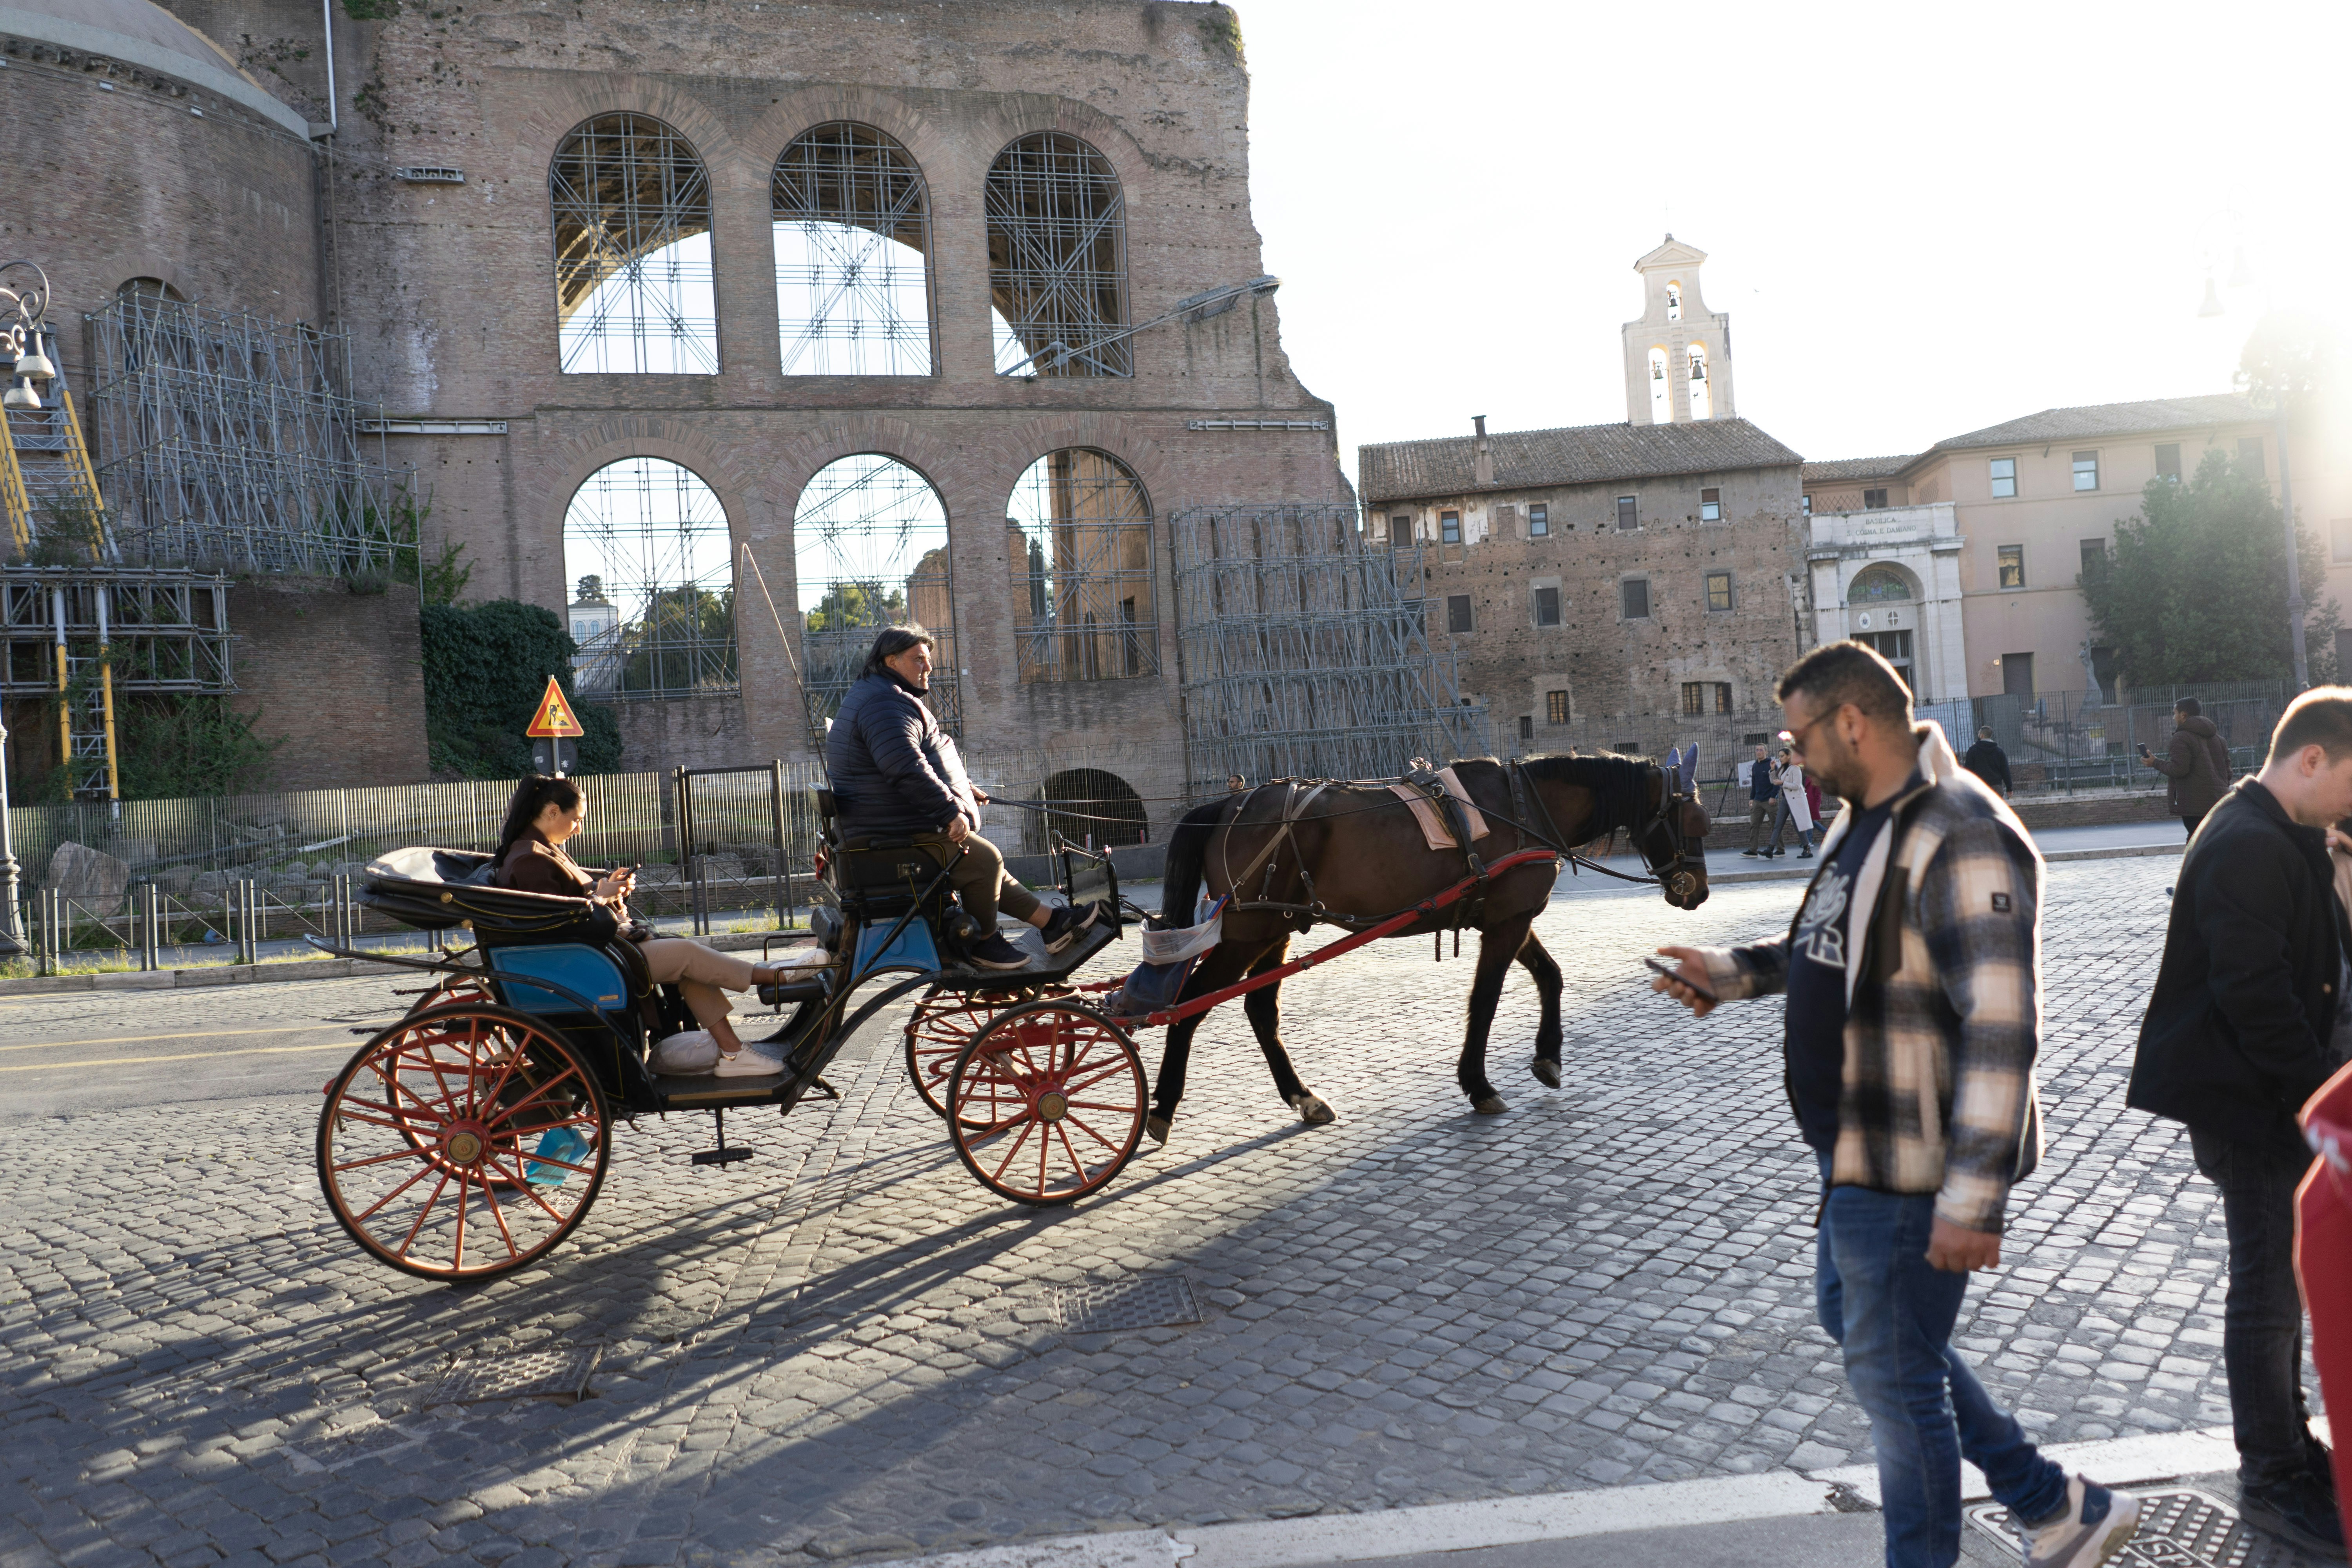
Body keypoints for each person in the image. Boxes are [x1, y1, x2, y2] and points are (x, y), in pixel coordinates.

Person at [1652, 641, 2139, 1568]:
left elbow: (2001, 1023)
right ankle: (2052, 1501)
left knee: (1898, 1382)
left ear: (1851, 721)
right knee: (1872, 1335)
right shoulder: (1865, 818)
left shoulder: (1959, 829)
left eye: (1798, 737)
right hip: (1857, 1154)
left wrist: (1974, 1196)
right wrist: (1731, 971)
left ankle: (1986, 1532)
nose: (1789, 756)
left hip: (1916, 1164)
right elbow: (1826, 947)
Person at [2127, 688, 2352, 1557]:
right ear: (2312, 760)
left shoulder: (2282, 831)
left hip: (2275, 1105)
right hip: (2257, 1110)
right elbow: (2256, 1001)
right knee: (2266, 1295)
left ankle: (2290, 1443)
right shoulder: (2249, 842)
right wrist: (2326, 1108)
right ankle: (2271, 1472)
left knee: (2283, 1292)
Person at [492, 774, 810, 1079]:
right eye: (576, 819)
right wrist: (601, 897)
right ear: (552, 811)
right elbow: (558, 920)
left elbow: (563, 903)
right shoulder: (531, 857)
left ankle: (732, 1052)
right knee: (685, 953)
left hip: (595, 951)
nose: (579, 829)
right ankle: (774, 977)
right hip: (585, 959)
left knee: (685, 958)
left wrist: (605, 891)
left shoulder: (538, 850)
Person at [828, 626, 1094, 971]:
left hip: (888, 821)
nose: (928, 668)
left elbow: (910, 758)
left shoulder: (878, 694)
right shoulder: (885, 703)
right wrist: (949, 807)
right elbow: (904, 767)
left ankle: (1053, 925)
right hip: (893, 831)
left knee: (986, 867)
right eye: (918, 659)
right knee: (985, 860)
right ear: (890, 660)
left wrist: (963, 787)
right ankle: (984, 943)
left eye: (929, 660)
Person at [2145, 696, 2232, 839]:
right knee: (2214, 840)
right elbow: (2228, 772)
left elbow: (2178, 769)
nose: (2174, 718)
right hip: (2219, 800)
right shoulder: (2218, 739)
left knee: (2195, 841)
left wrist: (2155, 762)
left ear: (2183, 715)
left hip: (2194, 805)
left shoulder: (2181, 738)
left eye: (2175, 713)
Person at [1763, 746, 1817, 859]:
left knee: (1798, 825)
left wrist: (1783, 782)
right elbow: (1774, 782)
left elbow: (1797, 786)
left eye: (1782, 756)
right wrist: (1773, 770)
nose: (1780, 758)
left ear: (1789, 756)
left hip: (1796, 801)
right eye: (1779, 756)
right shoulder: (1783, 769)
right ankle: (1770, 849)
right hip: (1786, 800)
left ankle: (1807, 849)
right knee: (1778, 825)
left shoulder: (1795, 769)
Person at [1741, 743, 1777, 856]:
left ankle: (1781, 849)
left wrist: (1773, 796)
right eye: (1757, 750)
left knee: (1776, 825)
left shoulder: (1772, 764)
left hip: (1770, 800)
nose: (1759, 752)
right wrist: (1752, 798)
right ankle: (1753, 850)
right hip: (1757, 800)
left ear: (1766, 752)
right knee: (1754, 825)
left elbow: (1776, 782)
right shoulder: (1755, 766)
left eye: (1761, 750)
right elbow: (1754, 783)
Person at [1964, 725, 2013, 795]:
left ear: (1982, 735)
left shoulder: (1973, 750)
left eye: (1979, 733)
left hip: (1979, 786)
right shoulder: (1999, 751)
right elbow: (2005, 770)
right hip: (1996, 787)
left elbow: (1968, 770)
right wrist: (2009, 788)